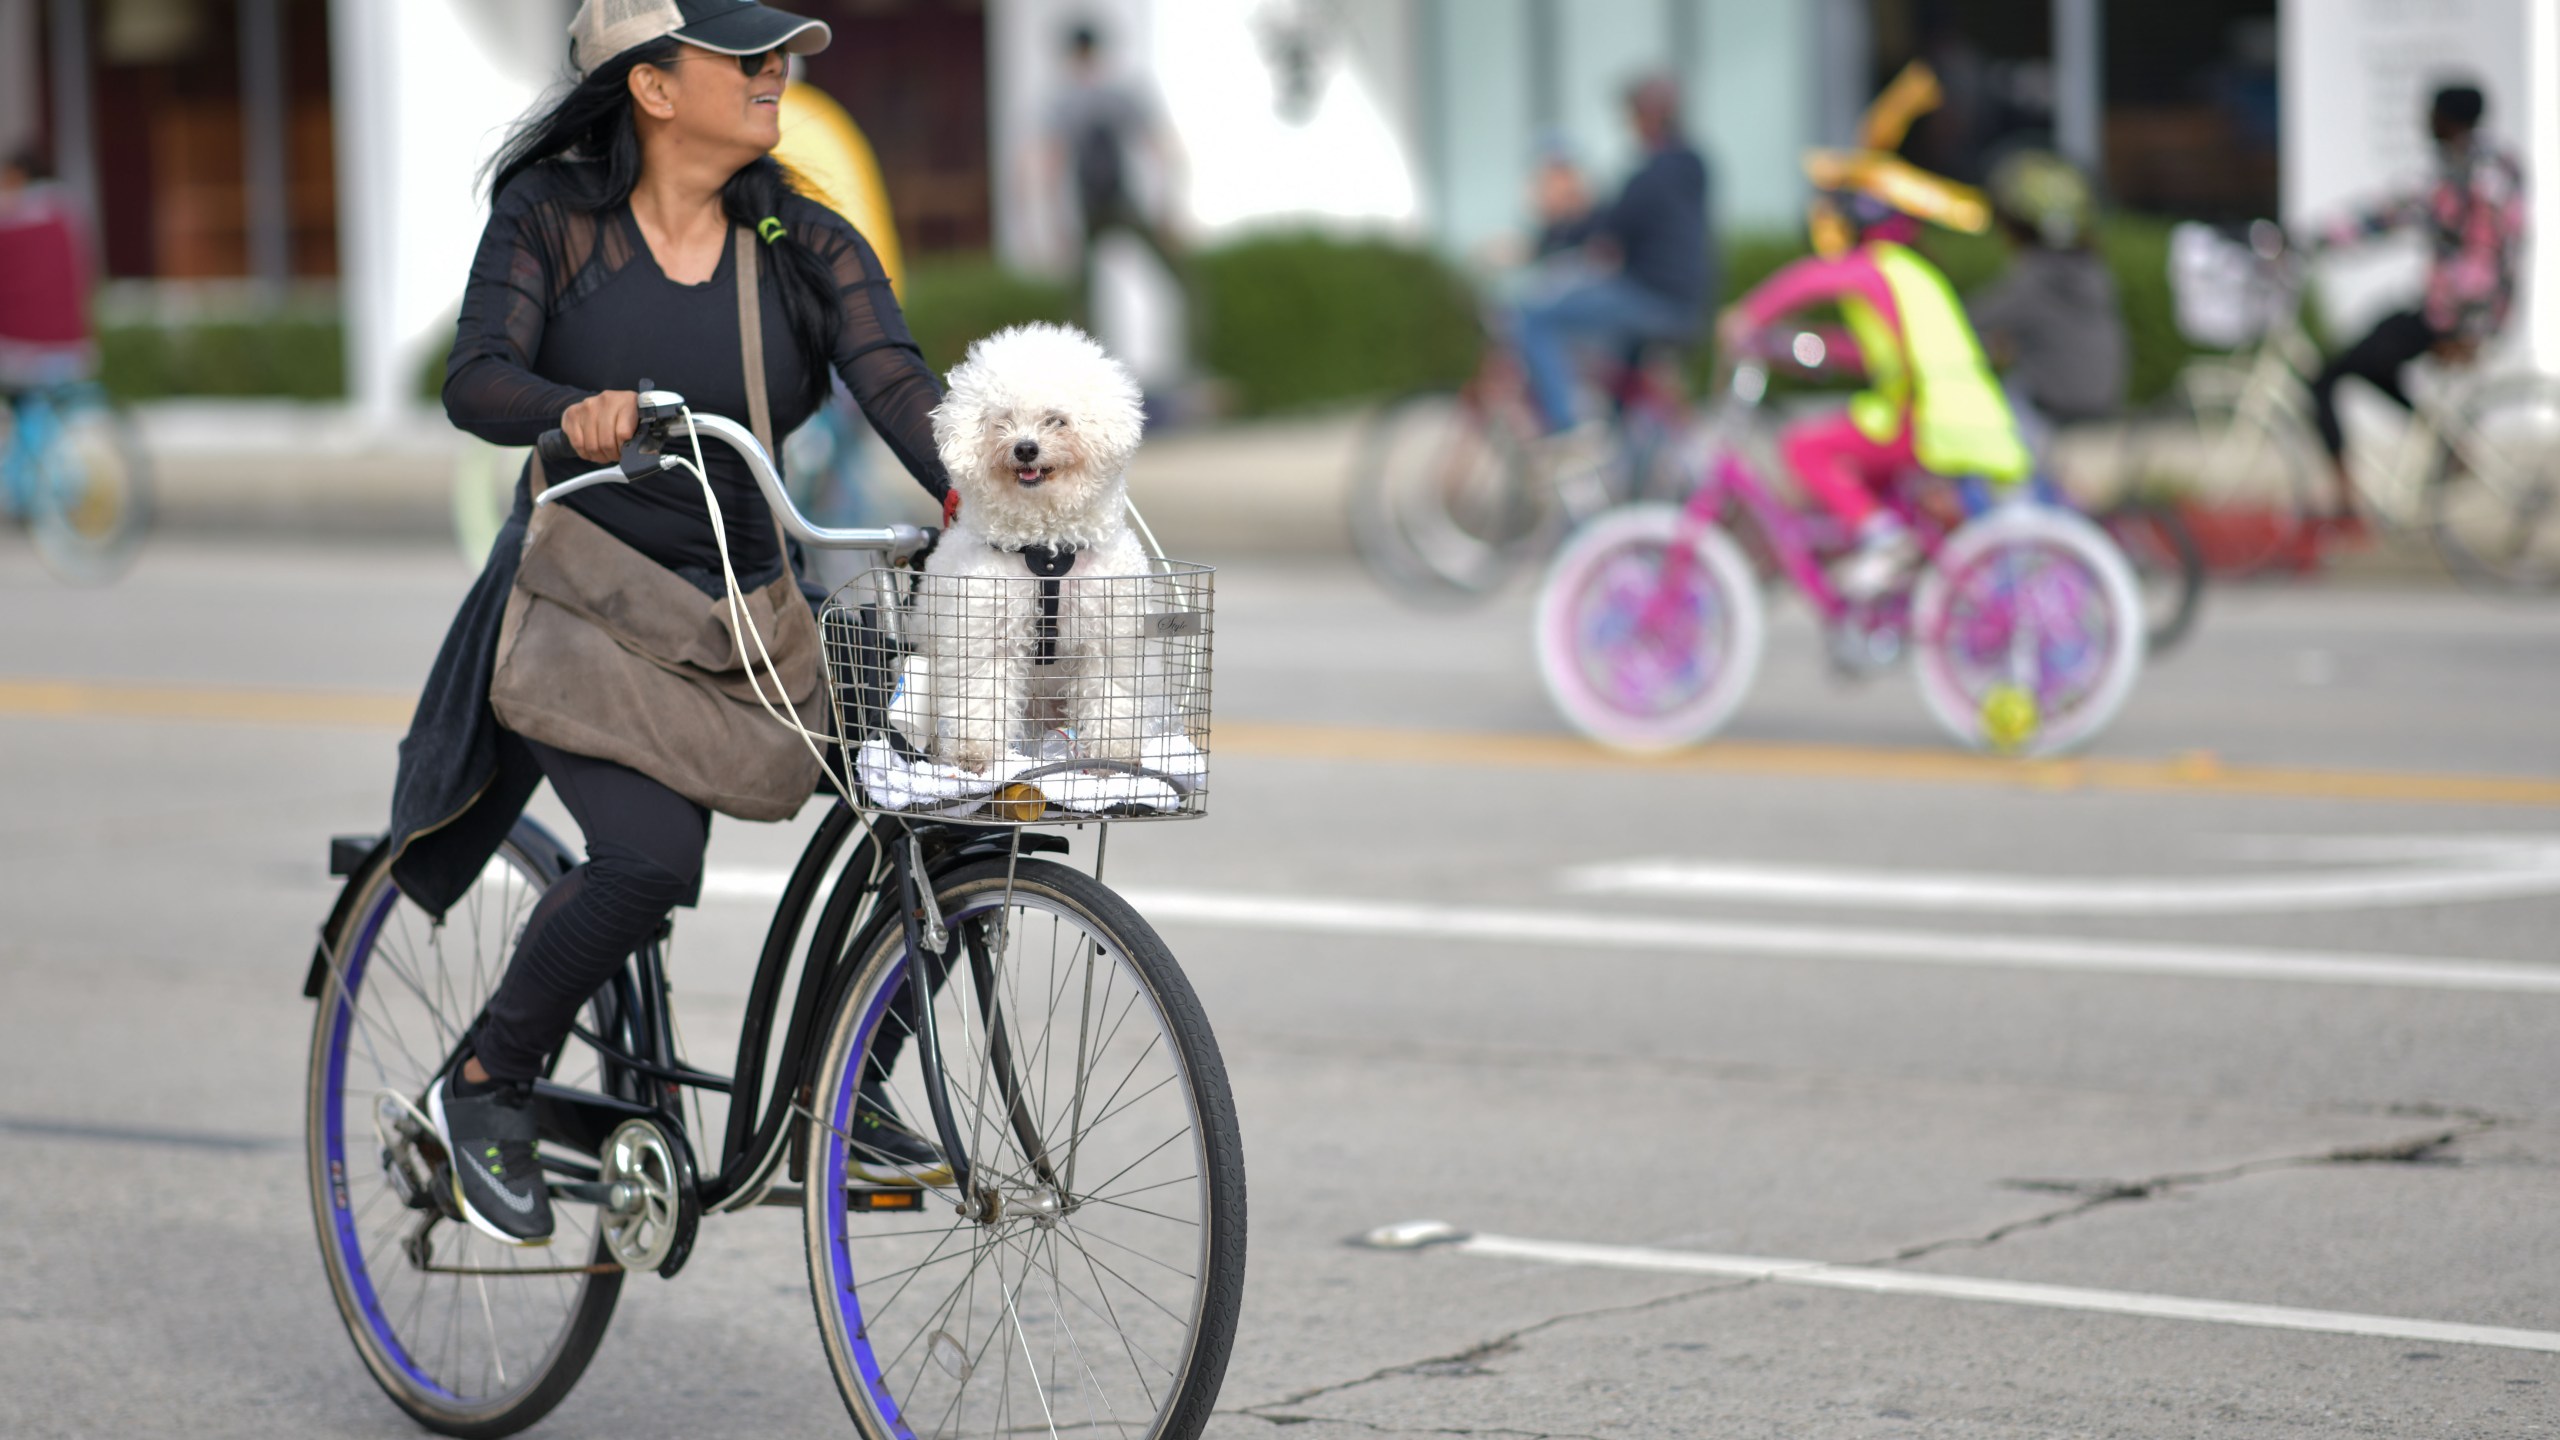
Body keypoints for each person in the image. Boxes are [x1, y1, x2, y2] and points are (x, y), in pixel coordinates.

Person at [393, 0, 953, 1247]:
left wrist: (988, 481)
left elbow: (893, 377)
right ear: (652, 85)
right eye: (743, 58)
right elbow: (476, 375)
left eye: (780, 58)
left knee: (959, 805)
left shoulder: (795, 234)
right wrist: (572, 408)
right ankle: (482, 1083)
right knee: (648, 862)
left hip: (755, 610)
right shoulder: (551, 216)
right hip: (586, 600)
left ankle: (847, 1093)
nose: (774, 76)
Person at [1717, 185, 2030, 599]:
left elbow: (1813, 280)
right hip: (1944, 411)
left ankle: (1884, 539)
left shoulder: (1875, 267)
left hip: (1925, 416)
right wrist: (1794, 346)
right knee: (1856, 468)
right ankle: (1884, 571)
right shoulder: (1908, 273)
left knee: (1802, 447)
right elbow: (1862, 355)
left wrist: (1748, 316)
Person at [2306, 82, 2526, 534]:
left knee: (2328, 376)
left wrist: (2309, 240)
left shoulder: (2457, 176)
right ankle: (2448, 447)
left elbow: (2387, 216)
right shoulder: (2502, 166)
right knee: (2371, 361)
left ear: (2446, 119)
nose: (2423, 121)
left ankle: (2347, 499)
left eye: (2430, 113)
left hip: (2453, 315)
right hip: (2477, 313)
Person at [1513, 75, 1714, 447]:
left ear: (1647, 117)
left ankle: (1566, 430)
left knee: (1534, 317)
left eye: (1631, 117)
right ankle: (1625, 467)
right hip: (1687, 302)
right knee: (1622, 387)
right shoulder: (1693, 166)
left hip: (1652, 299)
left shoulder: (1650, 176)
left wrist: (1540, 243)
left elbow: (1604, 227)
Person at [1968, 149, 2127, 446]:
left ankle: (2009, 490)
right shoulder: (2093, 271)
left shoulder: (2038, 278)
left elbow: (1967, 321)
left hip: (2052, 409)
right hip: (2102, 402)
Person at [1043, 21, 1187, 334]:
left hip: (1117, 198)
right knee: (1082, 293)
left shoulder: (1101, 96)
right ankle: (1085, 360)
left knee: (1083, 294)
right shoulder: (1073, 100)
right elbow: (1052, 163)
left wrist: (1167, 206)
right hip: (1095, 203)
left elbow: (1159, 149)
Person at [0, 150, 97, 396]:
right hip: (70, 340)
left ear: (18, 176)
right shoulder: (66, 214)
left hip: (21, 347)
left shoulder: (14, 221)